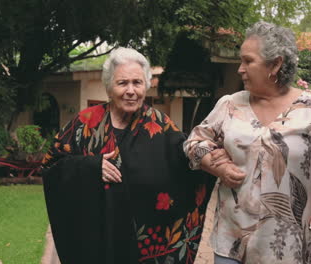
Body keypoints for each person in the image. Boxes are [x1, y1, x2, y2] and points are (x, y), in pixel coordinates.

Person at [184, 21, 311, 264]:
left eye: (248, 61)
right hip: (231, 243)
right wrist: (215, 164)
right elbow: (194, 142)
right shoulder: (230, 105)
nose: (240, 69)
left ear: (275, 64)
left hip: (288, 250)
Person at [42, 47, 212, 264]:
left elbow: (187, 160)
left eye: (137, 83)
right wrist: (91, 167)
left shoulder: (161, 124)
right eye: (122, 83)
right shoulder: (85, 123)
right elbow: (50, 165)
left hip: (147, 248)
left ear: (146, 86)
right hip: (96, 242)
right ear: (109, 88)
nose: (131, 90)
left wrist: (212, 158)